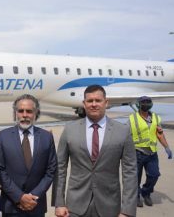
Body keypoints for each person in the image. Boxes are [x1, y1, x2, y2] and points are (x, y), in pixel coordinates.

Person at [52, 85, 137, 217]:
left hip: (109, 205)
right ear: (84, 104)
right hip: (74, 205)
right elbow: (60, 168)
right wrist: (59, 203)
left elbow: (130, 172)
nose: (94, 104)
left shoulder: (123, 131)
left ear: (106, 102)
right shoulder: (70, 129)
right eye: (90, 101)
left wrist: (127, 210)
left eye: (98, 100)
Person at [0, 94, 57, 217]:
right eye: (21, 111)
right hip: (11, 206)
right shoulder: (2, 137)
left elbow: (51, 170)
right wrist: (19, 197)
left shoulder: (46, 137)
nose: (24, 115)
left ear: (35, 113)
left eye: (29, 111)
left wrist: (33, 196)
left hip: (36, 205)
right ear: (15, 113)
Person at [129, 96, 172, 207]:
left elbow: (159, 133)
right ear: (138, 104)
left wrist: (166, 147)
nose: (146, 104)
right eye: (143, 102)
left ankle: (146, 192)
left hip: (152, 153)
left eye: (148, 102)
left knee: (154, 175)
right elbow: (126, 136)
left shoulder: (156, 118)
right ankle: (137, 196)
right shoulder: (132, 118)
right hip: (137, 152)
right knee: (135, 178)